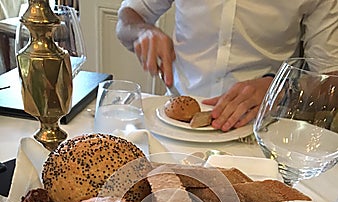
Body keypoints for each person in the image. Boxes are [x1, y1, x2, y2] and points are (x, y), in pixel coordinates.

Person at [116, 0, 338, 132]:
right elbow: (127, 18)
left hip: (260, 131)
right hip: (175, 126)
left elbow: (331, 85)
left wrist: (281, 90)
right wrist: (142, 30)